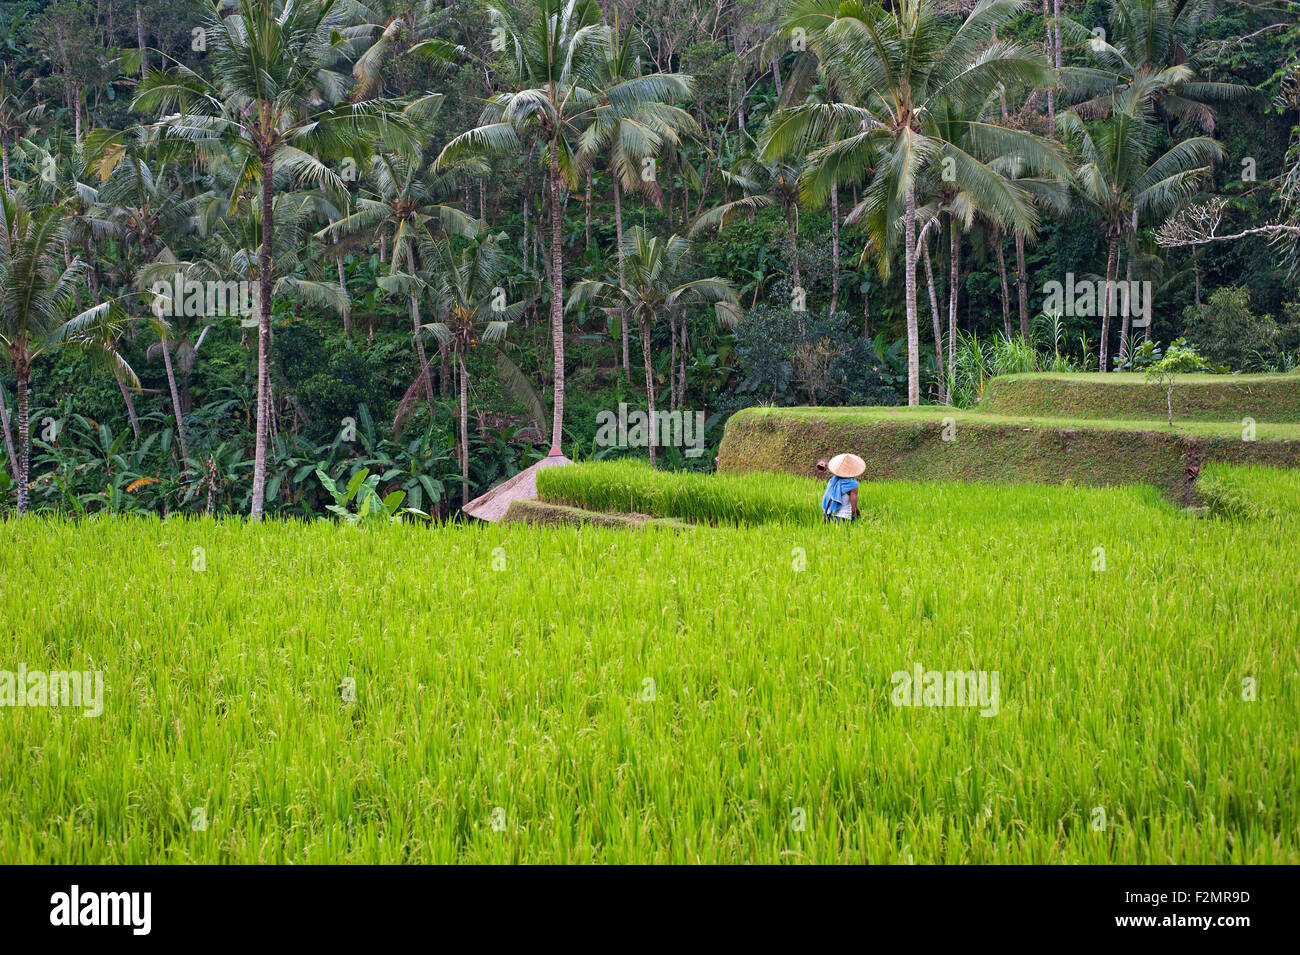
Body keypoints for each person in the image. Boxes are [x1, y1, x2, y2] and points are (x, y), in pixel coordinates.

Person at [820, 453, 865, 522]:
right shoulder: (852, 484)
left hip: (829, 516)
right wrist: (859, 516)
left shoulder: (833, 481)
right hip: (844, 518)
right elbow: (854, 508)